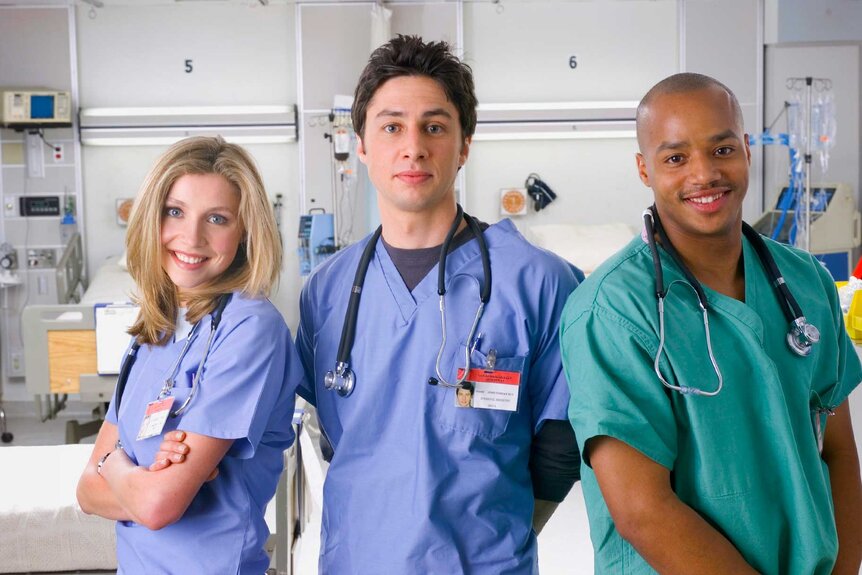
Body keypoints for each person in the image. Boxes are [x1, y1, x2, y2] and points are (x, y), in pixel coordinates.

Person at [296, 35, 583, 573]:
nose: (413, 146)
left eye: (434, 126)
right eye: (391, 126)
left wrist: (492, 535)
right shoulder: (327, 292)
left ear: (464, 144)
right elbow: (341, 438)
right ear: (361, 145)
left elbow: (560, 444)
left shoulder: (539, 282)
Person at [560, 73, 862, 574]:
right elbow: (642, 511)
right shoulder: (610, 311)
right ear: (644, 169)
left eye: (721, 150)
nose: (704, 174)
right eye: (675, 158)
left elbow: (837, 450)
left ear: (745, 150)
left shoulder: (806, 282)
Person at [76, 136, 304, 574]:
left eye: (217, 218)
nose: (191, 236)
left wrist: (115, 464)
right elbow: (86, 493)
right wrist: (137, 478)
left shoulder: (250, 329)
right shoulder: (153, 331)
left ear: (244, 232)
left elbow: (159, 505)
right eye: (175, 212)